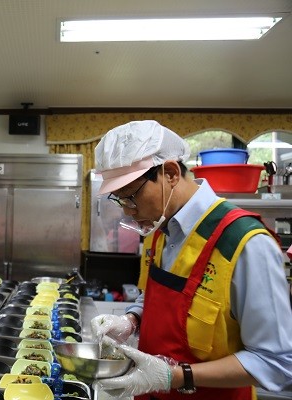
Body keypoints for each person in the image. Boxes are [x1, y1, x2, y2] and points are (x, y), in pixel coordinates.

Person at [90, 120, 292, 399]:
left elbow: (277, 362)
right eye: (119, 200)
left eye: (132, 197)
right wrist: (132, 319)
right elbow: (154, 298)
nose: (128, 211)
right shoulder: (158, 231)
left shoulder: (245, 244)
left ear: (171, 173)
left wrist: (174, 376)